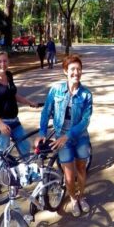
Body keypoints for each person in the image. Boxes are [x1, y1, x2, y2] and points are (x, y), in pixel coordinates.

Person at [37, 55, 93, 216]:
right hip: (62, 138)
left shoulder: (86, 94)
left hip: (80, 137)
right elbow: (46, 112)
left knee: (81, 169)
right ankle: (73, 199)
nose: (76, 72)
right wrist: (42, 132)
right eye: (72, 69)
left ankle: (81, 197)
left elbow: (85, 120)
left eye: (78, 69)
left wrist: (69, 135)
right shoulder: (55, 90)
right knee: (69, 176)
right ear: (65, 71)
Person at [0, 51, 39, 157]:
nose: (3, 64)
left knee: (25, 147)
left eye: (5, 61)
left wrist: (29, 102)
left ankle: (25, 172)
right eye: (0, 61)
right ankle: (1, 173)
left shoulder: (8, 75)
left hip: (14, 120)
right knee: (4, 154)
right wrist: (1, 124)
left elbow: (13, 95)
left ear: (8, 62)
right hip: (2, 123)